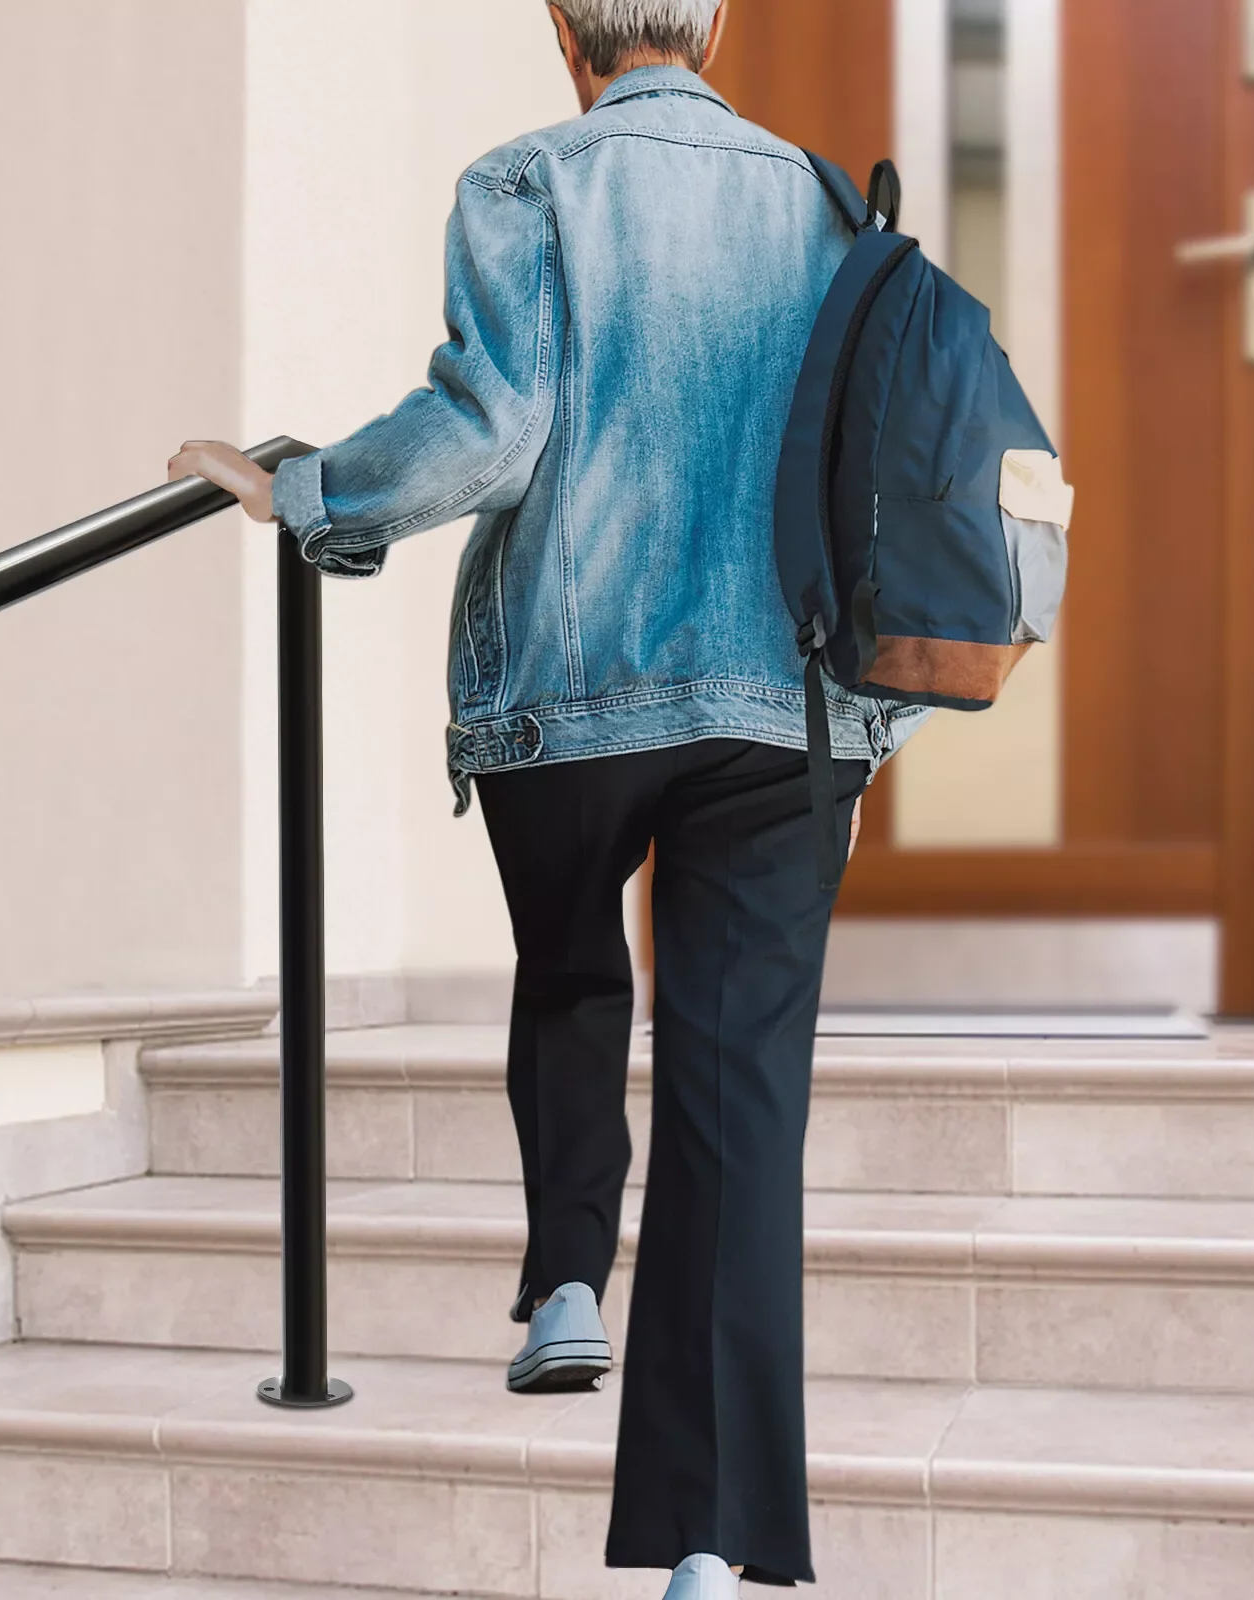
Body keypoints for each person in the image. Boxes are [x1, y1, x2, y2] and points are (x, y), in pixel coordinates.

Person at [168, 2, 932, 1593]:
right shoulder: (818, 199)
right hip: (781, 707)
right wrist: (871, 726)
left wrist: (306, 489)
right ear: (712, 24)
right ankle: (708, 1554)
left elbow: (493, 428)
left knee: (576, 977)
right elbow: (876, 458)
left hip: (572, 702)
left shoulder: (525, 184)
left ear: (562, 27)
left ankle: (569, 1284)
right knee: (739, 1114)